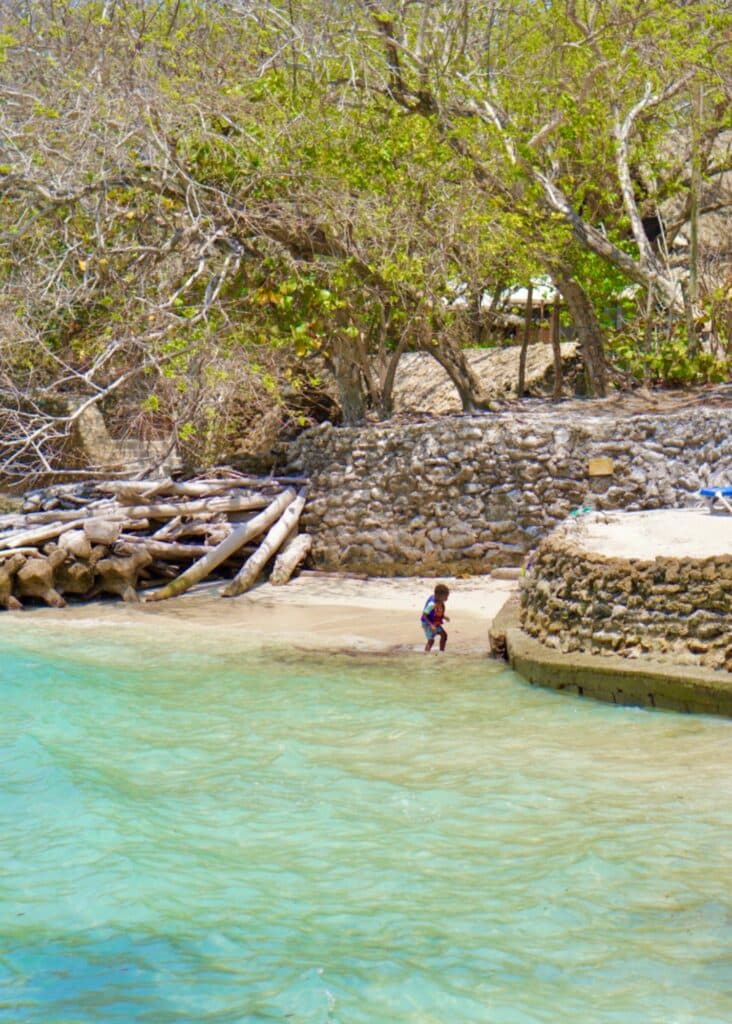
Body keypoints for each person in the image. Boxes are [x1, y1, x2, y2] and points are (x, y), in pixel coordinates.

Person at [421, 583, 450, 653]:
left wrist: (443, 616)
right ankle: (425, 655)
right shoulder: (432, 604)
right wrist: (431, 625)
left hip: (434, 622)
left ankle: (441, 652)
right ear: (439, 596)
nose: (447, 598)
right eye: (445, 596)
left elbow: (437, 611)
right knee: (431, 640)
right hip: (427, 623)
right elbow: (424, 615)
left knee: (444, 635)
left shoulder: (440, 601)